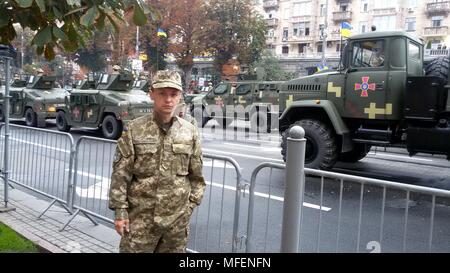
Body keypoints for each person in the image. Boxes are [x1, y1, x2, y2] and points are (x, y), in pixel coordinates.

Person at [108, 69, 206, 253]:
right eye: (162, 93)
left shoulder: (189, 131)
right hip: (141, 220)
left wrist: (188, 207)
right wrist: (120, 212)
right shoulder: (135, 129)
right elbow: (121, 175)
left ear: (180, 97)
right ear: (152, 93)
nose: (168, 100)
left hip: (175, 224)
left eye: (173, 94)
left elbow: (197, 178)